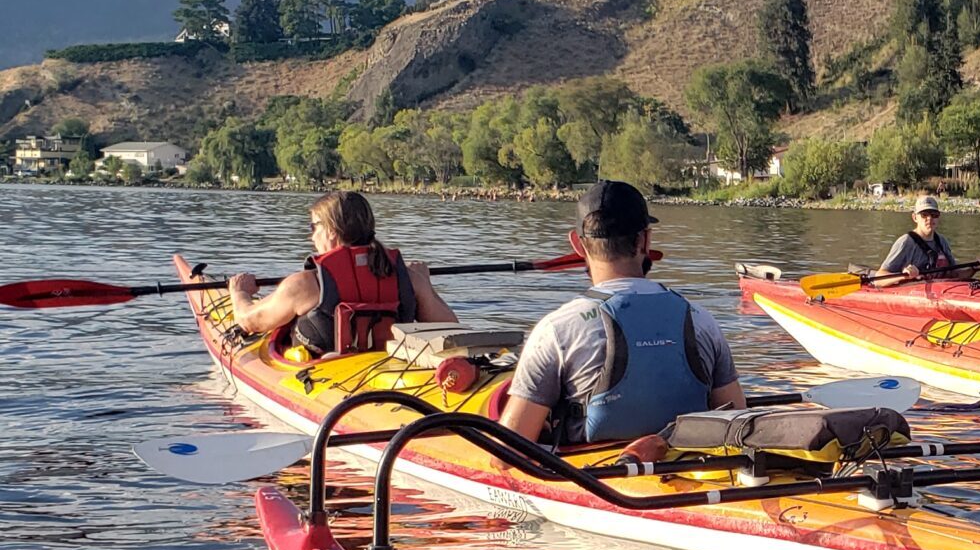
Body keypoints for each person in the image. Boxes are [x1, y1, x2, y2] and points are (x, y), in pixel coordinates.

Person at [499, 180, 744, 447]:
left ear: (577, 245)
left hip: (591, 476)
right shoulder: (702, 320)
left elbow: (508, 451)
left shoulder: (557, 330)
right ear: (645, 240)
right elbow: (739, 423)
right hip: (691, 469)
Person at [228, 189, 456, 353]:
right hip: (388, 369)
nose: (311, 235)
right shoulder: (409, 279)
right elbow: (451, 330)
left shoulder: (304, 285)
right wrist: (426, 286)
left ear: (330, 231)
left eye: (313, 227)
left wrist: (239, 293)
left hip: (324, 378)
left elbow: (249, 321)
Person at [877, 195, 959, 280]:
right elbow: (879, 277)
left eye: (934, 215)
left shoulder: (942, 241)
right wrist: (904, 276)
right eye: (924, 215)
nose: (930, 219)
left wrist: (973, 268)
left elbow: (956, 274)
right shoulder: (905, 242)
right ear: (915, 217)